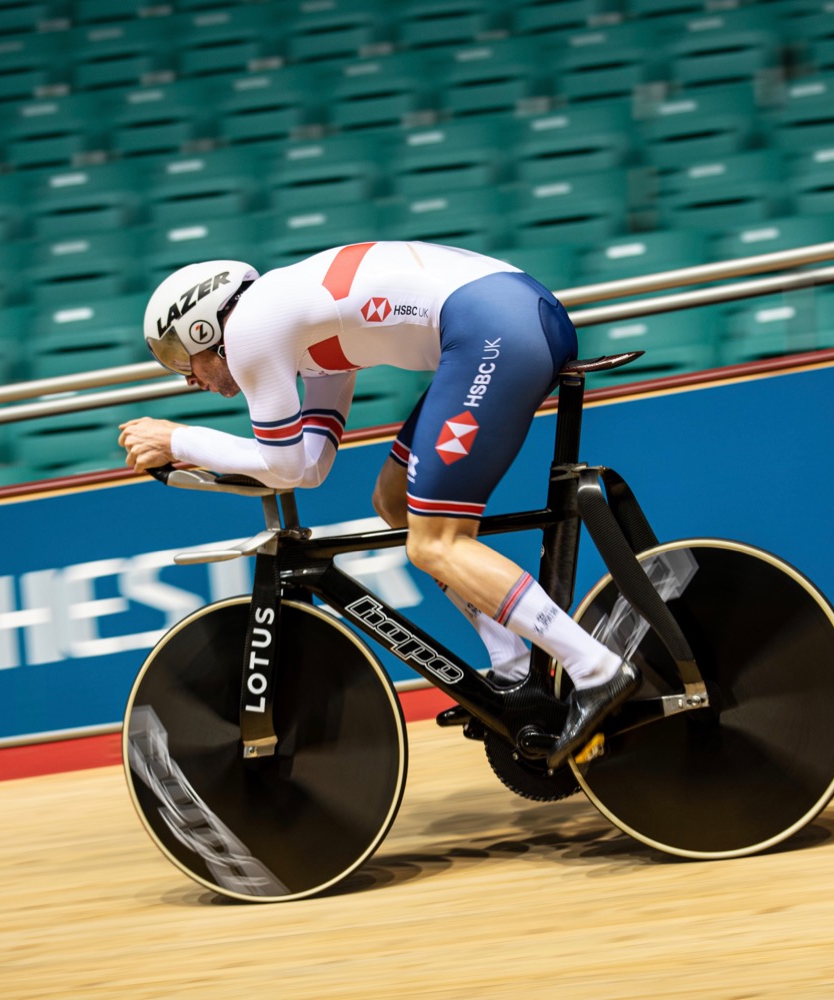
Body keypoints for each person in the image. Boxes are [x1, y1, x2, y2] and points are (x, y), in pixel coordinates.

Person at [118, 242, 639, 769]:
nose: (187, 377)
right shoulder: (306, 334)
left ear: (206, 328)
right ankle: (511, 662)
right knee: (392, 500)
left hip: (495, 328)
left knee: (435, 543)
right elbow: (309, 465)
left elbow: (284, 467)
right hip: (506, 315)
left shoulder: (251, 327)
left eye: (180, 357)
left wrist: (176, 439)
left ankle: (595, 668)